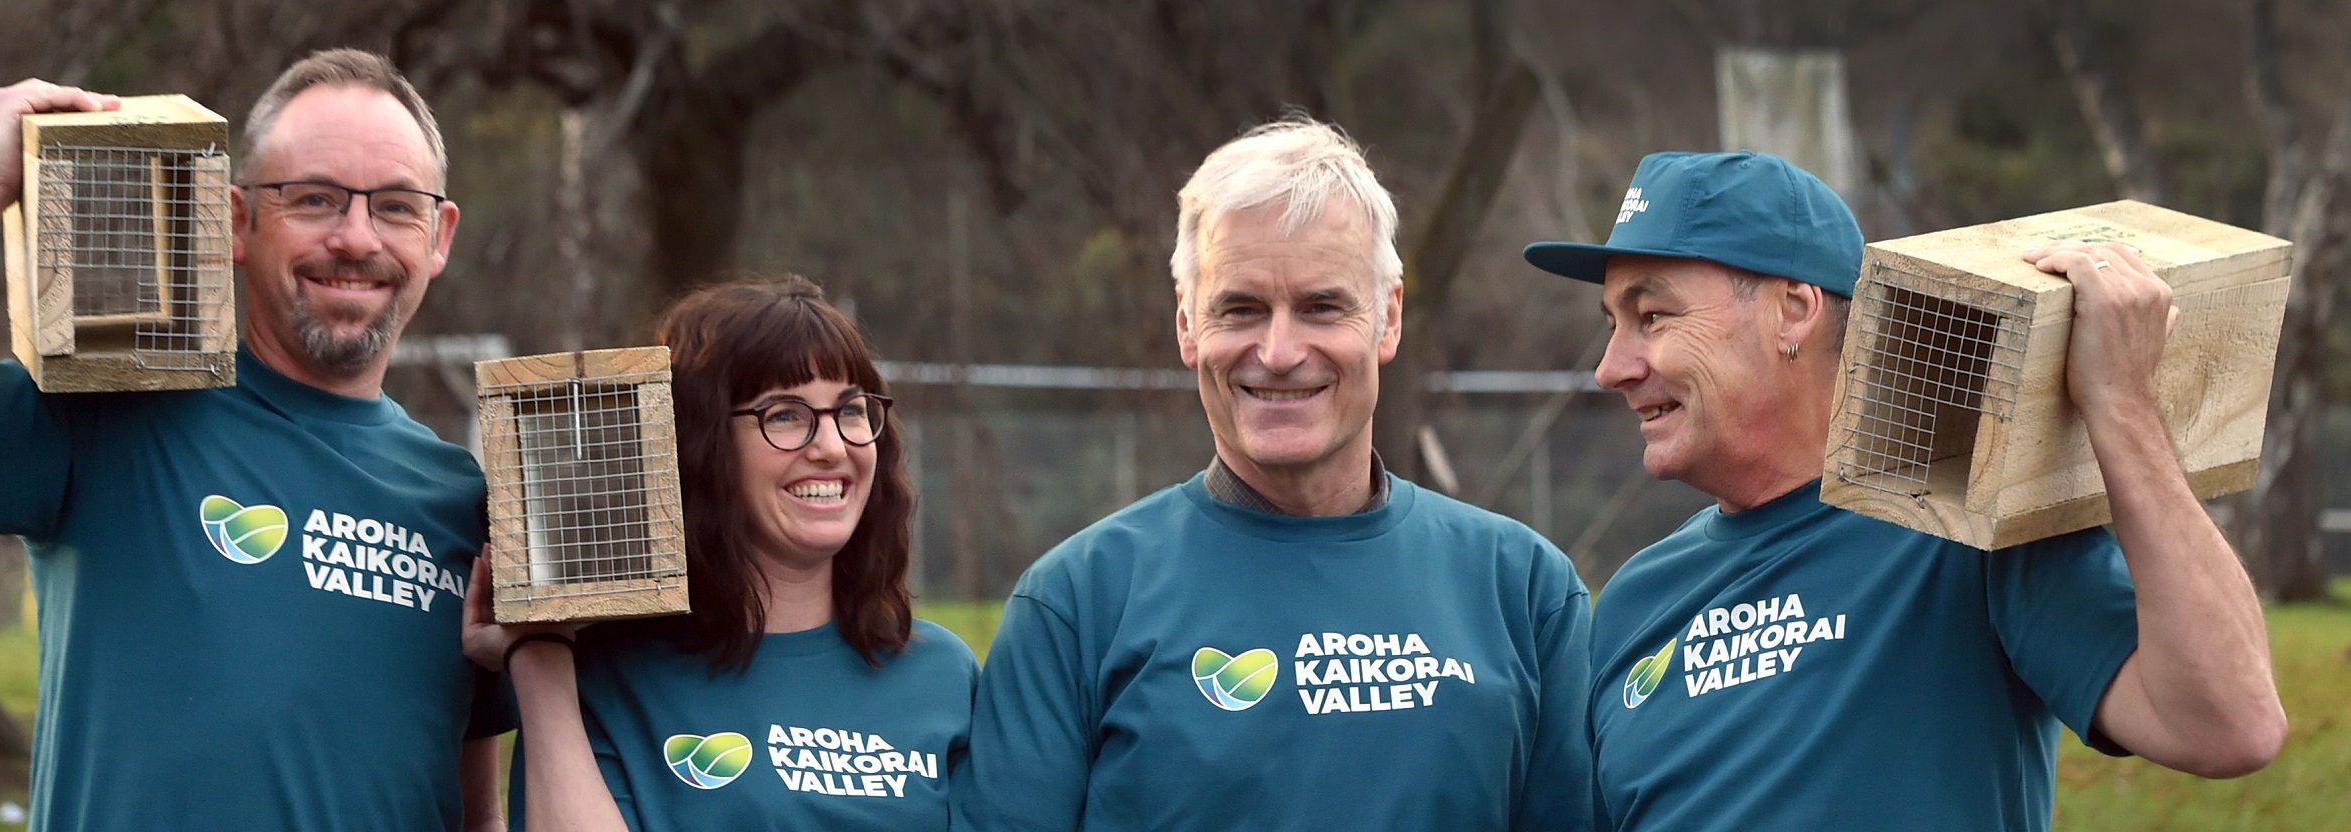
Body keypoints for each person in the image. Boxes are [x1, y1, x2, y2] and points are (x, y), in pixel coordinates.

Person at [0, 50, 508, 829]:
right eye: (315, 199)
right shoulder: (111, 407)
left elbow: (472, 812)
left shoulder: (465, 503)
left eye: (394, 206)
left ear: (440, 232)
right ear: (237, 221)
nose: (356, 238)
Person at [1522, 150, 2289, 830]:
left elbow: (2229, 726)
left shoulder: (1964, 527)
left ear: (1793, 311)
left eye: (1651, 316)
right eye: (1614, 324)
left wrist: (2119, 403)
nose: (1612, 367)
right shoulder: (1632, 600)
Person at [952, 118, 1595, 830]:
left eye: (1321, 307)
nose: (1280, 350)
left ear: (1388, 319)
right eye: (1240, 309)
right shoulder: (1077, 605)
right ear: (1186, 327)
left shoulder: (1523, 590)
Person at [463, 275, 976, 831]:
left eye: (851, 410)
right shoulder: (606, 678)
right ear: (703, 447)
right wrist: (538, 658)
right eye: (784, 414)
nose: (831, 447)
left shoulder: (944, 676)